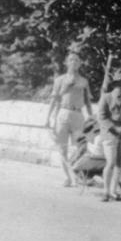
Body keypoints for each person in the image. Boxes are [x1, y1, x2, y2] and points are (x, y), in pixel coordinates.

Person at [45, 52, 93, 187]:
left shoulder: (84, 81)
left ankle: (79, 176)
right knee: (62, 148)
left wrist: (91, 116)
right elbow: (54, 99)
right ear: (66, 63)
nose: (74, 62)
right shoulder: (59, 80)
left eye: (77, 60)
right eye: (71, 60)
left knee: (81, 148)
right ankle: (67, 177)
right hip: (63, 113)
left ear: (80, 64)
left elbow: (88, 101)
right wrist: (48, 118)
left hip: (78, 114)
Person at [98, 69, 121, 202]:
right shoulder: (106, 97)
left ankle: (114, 191)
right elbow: (101, 117)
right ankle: (105, 191)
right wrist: (115, 129)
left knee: (120, 163)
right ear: (115, 85)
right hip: (110, 134)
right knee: (111, 162)